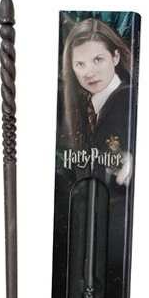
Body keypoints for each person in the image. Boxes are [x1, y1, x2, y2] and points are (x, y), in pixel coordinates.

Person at [60, 18, 134, 186]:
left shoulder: (129, 105)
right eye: (80, 64)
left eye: (98, 60)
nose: (89, 72)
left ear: (115, 57)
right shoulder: (85, 110)